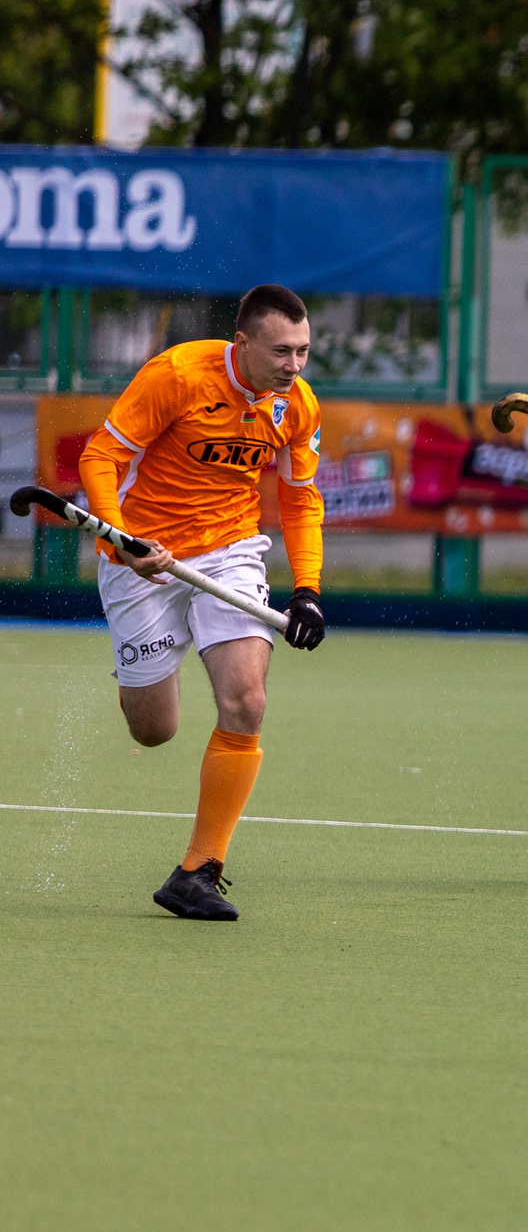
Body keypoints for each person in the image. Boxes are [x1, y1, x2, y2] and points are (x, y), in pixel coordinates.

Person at [75, 284, 330, 920]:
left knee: (247, 699)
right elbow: (101, 457)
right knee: (154, 730)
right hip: (144, 556)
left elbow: (300, 500)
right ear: (241, 344)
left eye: (302, 351)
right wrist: (120, 541)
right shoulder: (177, 376)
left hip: (231, 551)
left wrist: (308, 590)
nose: (293, 366)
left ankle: (199, 869)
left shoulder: (296, 405)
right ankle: (139, 675)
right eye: (281, 352)